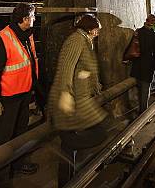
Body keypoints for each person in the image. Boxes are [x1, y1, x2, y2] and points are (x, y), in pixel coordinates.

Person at [48, 14, 110, 186]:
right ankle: (67, 179)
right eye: (97, 29)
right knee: (97, 134)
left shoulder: (85, 41)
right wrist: (65, 94)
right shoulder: (75, 41)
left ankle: (67, 180)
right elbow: (66, 69)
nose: (98, 32)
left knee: (69, 144)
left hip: (79, 97)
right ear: (89, 28)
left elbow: (86, 68)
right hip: (71, 99)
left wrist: (95, 85)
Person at [0, 3, 41, 186]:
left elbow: (29, 63)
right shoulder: (4, 38)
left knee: (20, 134)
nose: (34, 19)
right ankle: (1, 176)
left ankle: (17, 164)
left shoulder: (26, 35)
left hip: (24, 94)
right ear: (25, 19)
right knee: (3, 138)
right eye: (32, 16)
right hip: (9, 99)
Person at [130, 14, 155, 113]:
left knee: (138, 88)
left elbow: (132, 46)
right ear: (153, 23)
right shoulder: (153, 35)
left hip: (137, 64)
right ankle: (143, 114)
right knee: (145, 90)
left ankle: (138, 109)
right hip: (148, 65)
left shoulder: (138, 32)